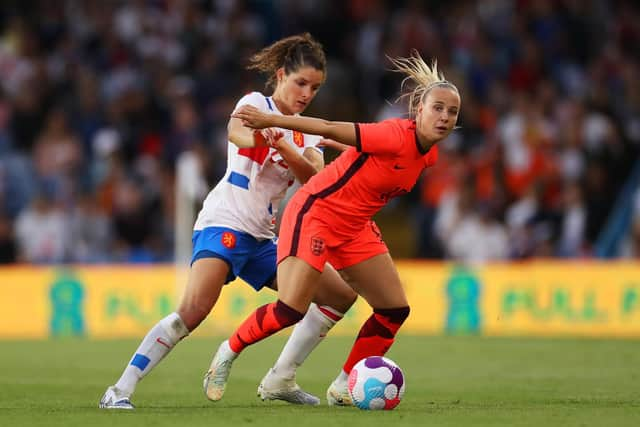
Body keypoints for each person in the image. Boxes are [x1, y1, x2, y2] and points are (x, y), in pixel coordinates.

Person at [99, 33, 357, 409]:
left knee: (339, 296)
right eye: (301, 82)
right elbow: (236, 131)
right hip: (225, 222)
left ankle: (280, 379)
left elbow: (312, 178)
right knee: (194, 310)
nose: (306, 93)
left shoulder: (305, 131)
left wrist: (282, 142)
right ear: (281, 74)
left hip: (263, 237)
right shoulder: (256, 102)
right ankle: (119, 390)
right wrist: (262, 136)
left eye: (315, 88)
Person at [221, 51, 461, 406]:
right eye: (437, 108)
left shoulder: (430, 154)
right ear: (419, 110)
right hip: (320, 214)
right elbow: (331, 127)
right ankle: (229, 351)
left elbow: (369, 168)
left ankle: (346, 385)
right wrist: (268, 119)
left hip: (354, 226)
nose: (444, 117)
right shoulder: (394, 135)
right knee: (290, 308)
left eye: (452, 112)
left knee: (394, 309)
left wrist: (352, 154)